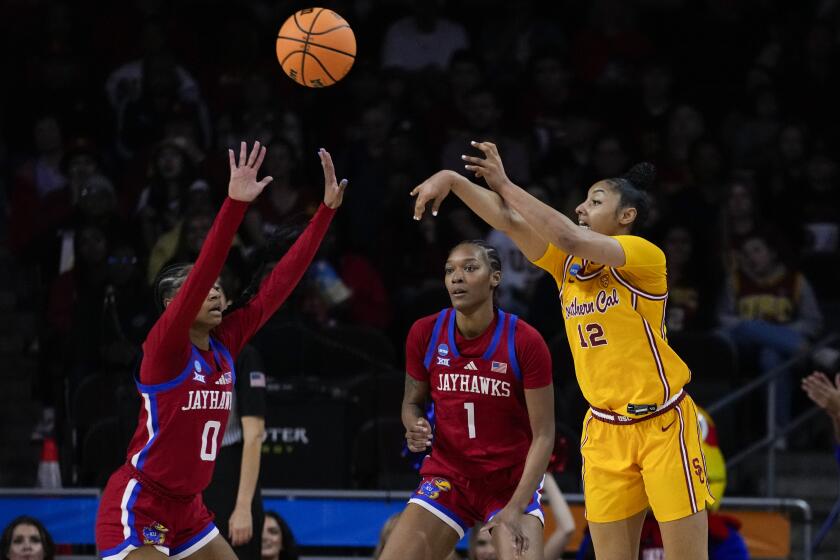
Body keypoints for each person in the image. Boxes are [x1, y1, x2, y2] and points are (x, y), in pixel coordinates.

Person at [411, 141, 713, 560]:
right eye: (583, 201)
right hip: (604, 430)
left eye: (595, 201)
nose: (581, 208)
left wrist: (505, 183)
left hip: (662, 424)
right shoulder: (567, 266)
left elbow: (568, 236)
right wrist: (455, 181)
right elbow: (508, 220)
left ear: (626, 217)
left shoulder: (644, 256)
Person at [95, 141, 347, 560]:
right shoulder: (164, 349)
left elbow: (277, 285)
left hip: (189, 508)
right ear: (173, 308)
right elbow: (205, 267)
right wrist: (234, 205)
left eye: (217, 286)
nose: (214, 290)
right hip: (141, 503)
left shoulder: (225, 343)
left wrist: (324, 214)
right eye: (201, 288)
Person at [379, 240, 555, 560]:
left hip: (509, 483)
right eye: (450, 271)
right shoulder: (425, 332)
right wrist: (414, 425)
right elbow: (411, 403)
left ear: (495, 278)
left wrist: (516, 507)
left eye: (470, 268)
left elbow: (544, 434)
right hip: (450, 477)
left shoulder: (525, 341)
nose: (456, 277)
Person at [203, 344, 268, 560]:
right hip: (187, 475)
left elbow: (255, 434)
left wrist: (242, 507)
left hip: (228, 475)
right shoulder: (174, 351)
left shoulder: (243, 354)